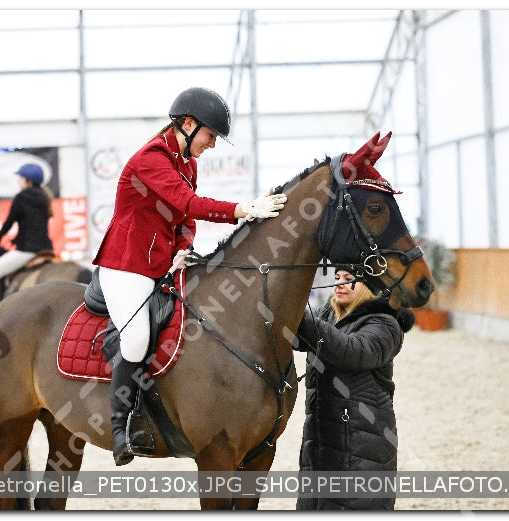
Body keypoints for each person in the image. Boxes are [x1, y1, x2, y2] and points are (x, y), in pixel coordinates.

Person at [92, 86, 287, 466]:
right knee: (135, 339)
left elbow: (184, 220)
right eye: (211, 135)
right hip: (126, 265)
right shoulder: (151, 159)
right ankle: (121, 427)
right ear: (187, 124)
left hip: (164, 263)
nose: (212, 144)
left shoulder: (188, 164)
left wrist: (182, 248)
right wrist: (246, 209)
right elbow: (190, 203)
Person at [294, 267, 415, 510]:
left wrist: (298, 313)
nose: (338, 284)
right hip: (320, 438)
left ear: (371, 287)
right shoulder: (326, 314)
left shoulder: (384, 324)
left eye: (349, 280)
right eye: (337, 278)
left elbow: (351, 350)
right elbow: (295, 337)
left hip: (362, 444)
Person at [0, 163, 54, 306]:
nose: (18, 181)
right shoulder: (44, 197)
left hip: (27, 251)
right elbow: (33, 224)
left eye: (21, 178)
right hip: (46, 249)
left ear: (28, 180)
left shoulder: (21, 197)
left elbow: (9, 223)